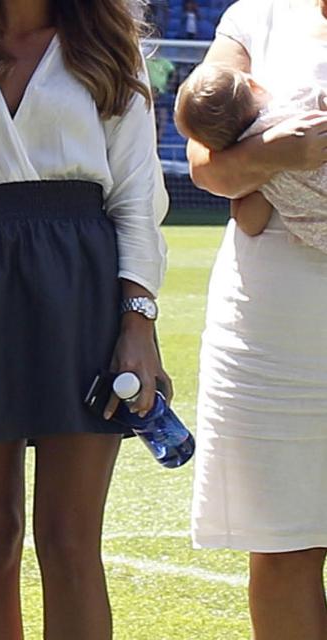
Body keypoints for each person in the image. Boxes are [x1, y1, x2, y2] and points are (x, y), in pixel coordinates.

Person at [0, 0, 170, 638]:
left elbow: (135, 194)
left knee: (70, 543)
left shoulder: (108, 44)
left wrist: (138, 324)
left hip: (80, 291)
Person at [184, 1, 327, 638]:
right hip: (269, 331)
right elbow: (207, 164)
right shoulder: (258, 15)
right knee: (283, 540)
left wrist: (262, 168)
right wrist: (277, 150)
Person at [177, 62, 327, 247]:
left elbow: (250, 225)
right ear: (254, 86)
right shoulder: (297, 101)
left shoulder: (257, 175)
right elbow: (321, 99)